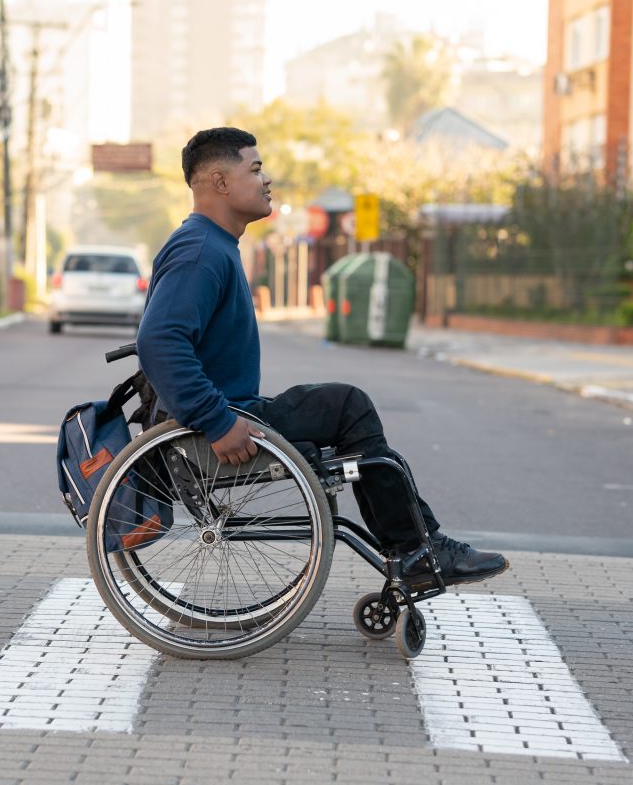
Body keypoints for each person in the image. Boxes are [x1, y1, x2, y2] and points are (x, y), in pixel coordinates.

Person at [135, 126, 508, 585]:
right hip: (217, 424)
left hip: (226, 411)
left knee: (355, 425)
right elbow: (159, 340)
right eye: (255, 169)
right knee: (347, 406)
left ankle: (414, 548)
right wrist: (216, 421)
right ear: (220, 182)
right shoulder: (200, 250)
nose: (267, 179)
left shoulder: (212, 244)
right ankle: (416, 550)